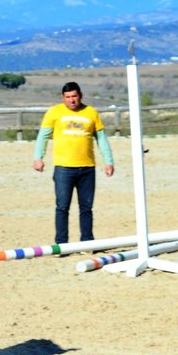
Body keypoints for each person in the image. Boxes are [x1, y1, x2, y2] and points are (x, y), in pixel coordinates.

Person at [32, 82, 115, 243]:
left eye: (74, 96)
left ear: (80, 96)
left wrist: (108, 161)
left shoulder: (91, 113)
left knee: (86, 208)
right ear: (63, 97)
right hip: (64, 168)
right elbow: (43, 136)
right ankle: (62, 243)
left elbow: (102, 139)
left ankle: (87, 241)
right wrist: (38, 157)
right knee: (62, 207)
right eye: (68, 97)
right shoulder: (54, 112)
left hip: (87, 168)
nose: (72, 100)